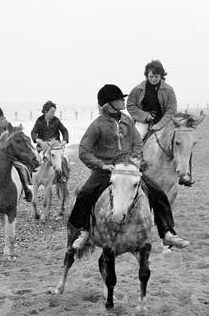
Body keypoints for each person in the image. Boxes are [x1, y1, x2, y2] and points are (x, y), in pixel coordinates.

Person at [68, 84, 190, 251]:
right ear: (107, 105)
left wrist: (136, 158)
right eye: (119, 99)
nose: (123, 101)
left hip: (128, 168)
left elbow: (137, 142)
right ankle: (84, 232)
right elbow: (83, 151)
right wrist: (101, 165)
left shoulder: (126, 120)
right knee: (84, 193)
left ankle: (167, 232)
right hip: (105, 170)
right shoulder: (97, 125)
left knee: (158, 193)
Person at [127, 60, 178, 135]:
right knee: (138, 138)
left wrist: (159, 125)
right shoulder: (137, 89)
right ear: (147, 75)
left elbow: (171, 110)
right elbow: (130, 106)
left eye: (156, 76)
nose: (153, 79)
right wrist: (145, 116)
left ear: (161, 76)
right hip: (143, 122)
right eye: (151, 76)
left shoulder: (169, 90)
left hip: (164, 122)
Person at [31, 101, 70, 183]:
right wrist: (37, 139)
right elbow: (33, 132)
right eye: (52, 112)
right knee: (32, 158)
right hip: (42, 146)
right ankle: (31, 178)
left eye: (54, 112)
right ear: (45, 111)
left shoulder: (56, 120)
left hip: (55, 146)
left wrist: (64, 141)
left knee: (62, 160)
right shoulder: (39, 120)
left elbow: (64, 131)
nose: (54, 114)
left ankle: (61, 176)